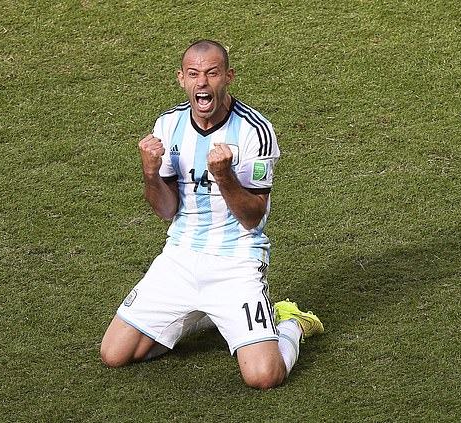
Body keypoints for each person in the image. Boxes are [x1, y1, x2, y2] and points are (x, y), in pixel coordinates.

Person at [100, 39, 324, 389]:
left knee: (264, 377)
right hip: (180, 259)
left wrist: (224, 175)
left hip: (236, 262)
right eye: (193, 74)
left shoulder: (255, 131)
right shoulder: (168, 125)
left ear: (228, 77)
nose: (202, 82)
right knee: (115, 355)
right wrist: (148, 173)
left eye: (212, 73)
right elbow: (166, 210)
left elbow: (253, 216)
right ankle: (203, 312)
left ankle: (291, 323)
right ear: (181, 79)